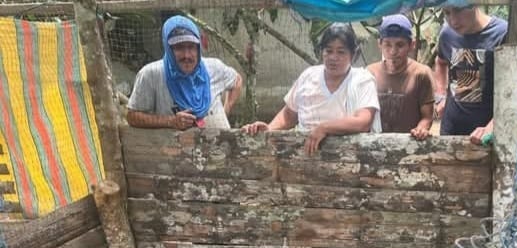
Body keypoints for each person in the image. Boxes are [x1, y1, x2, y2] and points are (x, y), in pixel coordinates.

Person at [241, 23, 380, 156]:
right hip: (304, 155)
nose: (333, 57)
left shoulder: (362, 80)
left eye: (341, 52)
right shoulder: (309, 76)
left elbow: (363, 121)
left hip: (348, 157)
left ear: (353, 55)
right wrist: (269, 129)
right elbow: (289, 114)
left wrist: (324, 128)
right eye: (328, 51)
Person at [127, 15, 243, 130]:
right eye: (179, 48)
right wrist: (170, 121)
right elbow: (132, 117)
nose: (186, 55)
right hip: (174, 142)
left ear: (198, 48)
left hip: (220, 141)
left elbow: (237, 80)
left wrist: (226, 110)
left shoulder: (214, 68)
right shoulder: (151, 75)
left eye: (191, 47)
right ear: (168, 48)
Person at [434, 1, 508, 145]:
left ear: (475, 4)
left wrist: (494, 126)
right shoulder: (447, 34)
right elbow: (440, 62)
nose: (453, 21)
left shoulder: (502, 33)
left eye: (458, 10)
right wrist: (441, 96)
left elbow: (516, 89)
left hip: (484, 135)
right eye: (447, 13)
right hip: (450, 129)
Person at [367, 14, 435, 140]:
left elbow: (427, 117)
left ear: (411, 45)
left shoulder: (421, 74)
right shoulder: (370, 73)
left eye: (400, 45)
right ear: (379, 44)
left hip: (410, 145)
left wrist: (421, 129)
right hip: (375, 144)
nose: (393, 51)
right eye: (387, 44)